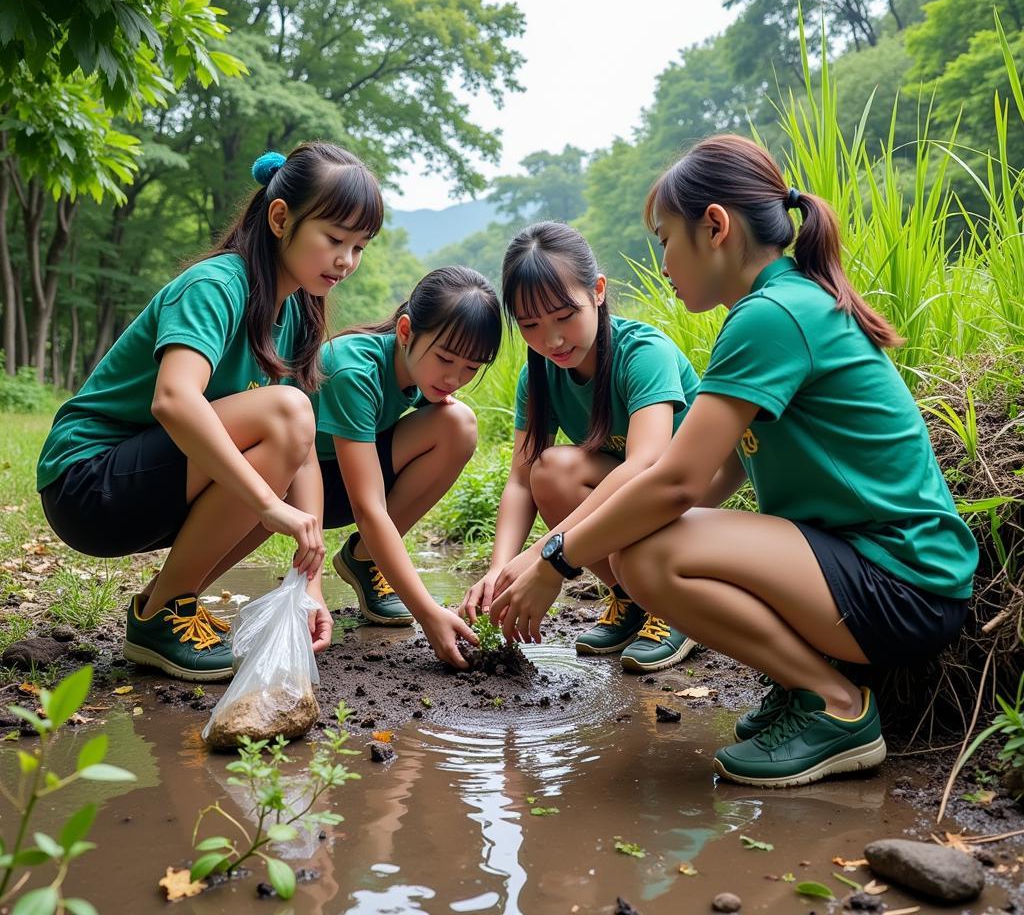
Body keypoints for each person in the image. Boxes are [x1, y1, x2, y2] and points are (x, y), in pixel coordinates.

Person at [487, 135, 977, 787]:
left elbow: (675, 479)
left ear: (714, 227)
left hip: (905, 582)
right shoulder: (777, 305)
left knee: (649, 556)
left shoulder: (773, 314)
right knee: (651, 539)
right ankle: (803, 688)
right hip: (870, 568)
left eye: (665, 239)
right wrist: (554, 550)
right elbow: (717, 476)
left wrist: (554, 560)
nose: (661, 262)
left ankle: (835, 705)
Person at [37, 142, 384, 681]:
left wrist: (310, 584)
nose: (347, 260)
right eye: (335, 239)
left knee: (290, 431)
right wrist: (269, 504)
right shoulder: (217, 285)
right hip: (87, 483)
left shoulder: (295, 313)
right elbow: (174, 399)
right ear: (279, 218)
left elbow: (301, 451)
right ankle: (162, 612)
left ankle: (166, 605)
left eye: (360, 246)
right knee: (284, 421)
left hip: (153, 480)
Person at [460, 221, 703, 673]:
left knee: (615, 485)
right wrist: (500, 568)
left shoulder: (643, 353)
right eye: (530, 325)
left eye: (564, 316)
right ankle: (631, 599)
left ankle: (674, 608)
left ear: (598, 291)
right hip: (634, 496)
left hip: (682, 498)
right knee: (550, 471)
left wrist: (543, 555)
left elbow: (647, 465)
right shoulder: (539, 377)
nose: (551, 340)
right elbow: (520, 480)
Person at [315, 266, 502, 668]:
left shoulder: (420, 377)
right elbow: (368, 507)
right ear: (405, 331)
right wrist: (428, 612)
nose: (455, 377)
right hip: (300, 489)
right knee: (454, 421)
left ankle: (364, 561)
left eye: (471, 367)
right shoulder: (353, 370)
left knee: (459, 424)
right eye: (446, 358)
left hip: (349, 477)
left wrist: (433, 395)